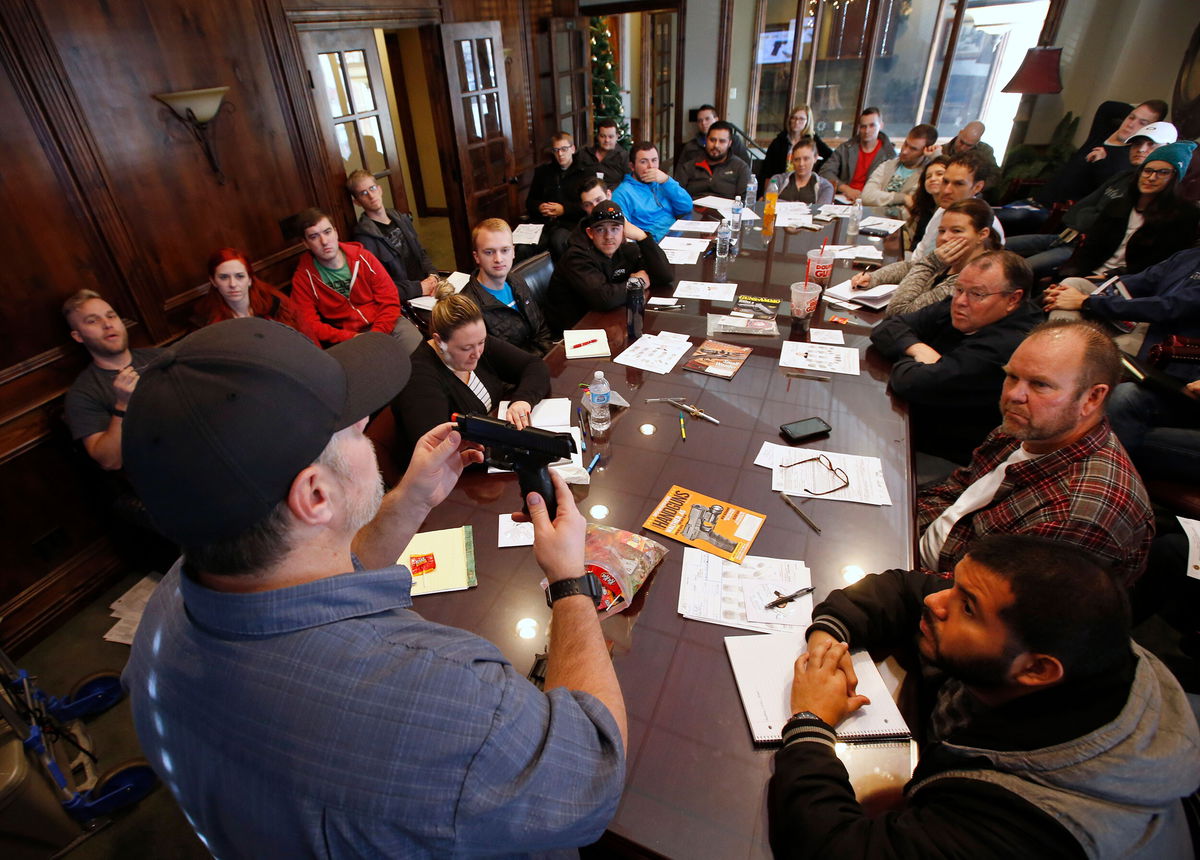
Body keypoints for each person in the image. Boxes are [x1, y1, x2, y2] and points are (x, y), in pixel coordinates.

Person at [120, 319, 625, 857]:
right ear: (316, 494)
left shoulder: (166, 611)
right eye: (355, 430)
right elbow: (595, 769)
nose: (368, 426)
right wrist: (570, 583)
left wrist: (412, 499)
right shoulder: (447, 698)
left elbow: (305, 569)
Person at [768, 535, 1199, 859]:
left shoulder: (1033, 824)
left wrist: (810, 721)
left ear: (1036, 670)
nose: (936, 601)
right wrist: (829, 639)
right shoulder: (1078, 649)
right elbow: (904, 589)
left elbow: (831, 849)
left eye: (967, 607)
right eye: (954, 586)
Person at [917, 320, 1154, 585]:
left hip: (934, 589)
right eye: (1012, 376)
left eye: (1040, 385)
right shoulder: (1030, 426)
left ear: (1092, 398)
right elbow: (956, 489)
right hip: (920, 549)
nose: (1015, 395)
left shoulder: (1078, 516)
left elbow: (976, 602)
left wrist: (895, 571)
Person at [871, 251, 1042, 464]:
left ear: (1013, 299)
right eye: (959, 289)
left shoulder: (1008, 346)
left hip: (941, 454)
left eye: (977, 294)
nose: (960, 301)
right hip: (908, 418)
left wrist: (905, 353)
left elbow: (911, 382)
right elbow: (888, 326)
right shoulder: (965, 304)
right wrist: (918, 349)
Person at [1046, 246, 1200, 483]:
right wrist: (1090, 293)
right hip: (1146, 331)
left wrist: (1088, 303)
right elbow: (1139, 282)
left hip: (1174, 363)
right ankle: (1051, 361)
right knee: (1074, 283)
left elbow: (1170, 306)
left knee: (1125, 395)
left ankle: (1094, 483)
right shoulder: (1190, 255)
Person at [392, 286, 550, 462]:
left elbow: (534, 365)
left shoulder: (472, 339)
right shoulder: (420, 380)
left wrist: (522, 400)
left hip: (493, 448)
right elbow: (438, 452)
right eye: (466, 348)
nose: (477, 353)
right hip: (461, 473)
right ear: (439, 341)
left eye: (481, 342)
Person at [1005, 122, 1178, 281]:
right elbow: (1079, 209)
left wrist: (1088, 219)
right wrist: (1088, 217)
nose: (1141, 150)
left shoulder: (1149, 194)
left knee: (1017, 271)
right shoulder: (1121, 176)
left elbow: (1102, 227)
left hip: (1082, 251)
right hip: (1065, 236)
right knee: (997, 244)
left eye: (1151, 145)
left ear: (1167, 150)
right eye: (1137, 144)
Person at [1001, 99, 1169, 235]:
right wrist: (1138, 110)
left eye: (1142, 123)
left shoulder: (1129, 158)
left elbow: (1106, 192)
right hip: (1034, 201)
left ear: (1149, 129)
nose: (1131, 124)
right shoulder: (1102, 135)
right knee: (983, 213)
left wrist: (1101, 163)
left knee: (987, 218)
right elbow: (1108, 107)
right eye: (1131, 117)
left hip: (1052, 213)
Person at [1048, 140, 1198, 283]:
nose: (1151, 178)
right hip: (1088, 274)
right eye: (1147, 170)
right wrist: (1069, 276)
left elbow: (1159, 265)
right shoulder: (1119, 204)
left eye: (1163, 172)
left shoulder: (1182, 215)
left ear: (1175, 178)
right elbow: (1090, 249)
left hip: (1127, 283)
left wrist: (1109, 276)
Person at [290, 207, 422, 354]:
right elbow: (309, 324)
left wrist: (377, 334)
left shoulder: (363, 257)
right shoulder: (303, 278)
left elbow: (389, 299)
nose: (324, 241)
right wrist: (350, 336)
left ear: (335, 232)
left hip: (388, 322)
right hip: (348, 336)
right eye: (314, 236)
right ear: (306, 243)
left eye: (327, 232)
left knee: (422, 359)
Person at [62, 290, 167, 471]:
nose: (108, 324)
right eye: (93, 321)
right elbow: (110, 461)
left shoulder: (162, 356)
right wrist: (122, 405)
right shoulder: (83, 393)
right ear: (78, 336)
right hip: (163, 467)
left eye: (111, 316)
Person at [853, 198, 1002, 317]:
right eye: (942, 231)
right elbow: (910, 267)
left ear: (982, 234)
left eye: (956, 231)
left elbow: (899, 312)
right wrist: (874, 278)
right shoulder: (952, 259)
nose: (945, 238)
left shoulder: (971, 280)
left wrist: (930, 263)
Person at [543, 200, 674, 334]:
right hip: (572, 332)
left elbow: (664, 277)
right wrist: (637, 283)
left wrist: (642, 237)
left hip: (606, 322)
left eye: (615, 229)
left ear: (624, 231)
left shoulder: (626, 250)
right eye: (600, 230)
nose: (608, 236)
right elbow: (603, 299)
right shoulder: (576, 257)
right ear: (590, 233)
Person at [459, 218, 553, 356]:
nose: (498, 259)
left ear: (513, 252)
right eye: (489, 252)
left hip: (539, 361)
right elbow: (493, 361)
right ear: (477, 257)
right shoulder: (468, 307)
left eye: (505, 250)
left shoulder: (517, 280)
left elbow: (541, 328)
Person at [346, 169, 439, 303]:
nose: (371, 196)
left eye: (372, 188)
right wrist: (418, 288)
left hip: (427, 287)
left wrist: (433, 276)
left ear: (379, 189)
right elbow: (377, 287)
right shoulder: (364, 239)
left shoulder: (400, 218)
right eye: (364, 193)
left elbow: (421, 253)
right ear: (357, 202)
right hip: (403, 300)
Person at [196, 248, 313, 343]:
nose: (232, 284)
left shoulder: (274, 302)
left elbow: (304, 333)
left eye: (240, 276)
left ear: (250, 279)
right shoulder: (210, 324)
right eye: (224, 277)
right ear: (213, 281)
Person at [911, 151, 1004, 261]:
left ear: (977, 187)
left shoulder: (986, 224)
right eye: (945, 181)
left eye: (958, 184)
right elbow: (922, 250)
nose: (946, 190)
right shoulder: (943, 209)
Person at [611, 142, 694, 241]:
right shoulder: (622, 193)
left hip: (676, 235)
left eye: (654, 160)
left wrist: (666, 180)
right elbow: (622, 230)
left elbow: (686, 207)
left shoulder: (662, 182)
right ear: (632, 166)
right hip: (653, 243)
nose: (651, 166)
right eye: (643, 162)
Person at [818, 107, 896, 202]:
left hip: (870, 202)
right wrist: (846, 189)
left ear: (881, 125)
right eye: (863, 126)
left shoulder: (889, 155)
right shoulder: (846, 148)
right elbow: (825, 172)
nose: (867, 131)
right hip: (842, 199)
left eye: (872, 126)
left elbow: (890, 188)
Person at [860, 123, 938, 218]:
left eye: (913, 149)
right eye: (906, 144)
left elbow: (909, 213)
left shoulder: (927, 176)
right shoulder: (888, 165)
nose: (905, 151)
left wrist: (936, 156)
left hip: (901, 229)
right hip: (871, 220)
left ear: (925, 151)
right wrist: (903, 198)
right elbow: (866, 196)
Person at [758, 104, 832, 186]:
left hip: (805, 184)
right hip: (781, 184)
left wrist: (816, 167)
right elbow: (767, 169)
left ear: (807, 121)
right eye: (794, 118)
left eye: (801, 119)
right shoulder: (779, 141)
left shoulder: (813, 140)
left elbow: (830, 156)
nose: (796, 122)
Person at [675, 120, 751, 199]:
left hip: (727, 210)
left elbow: (744, 200)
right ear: (706, 140)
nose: (716, 145)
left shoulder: (741, 168)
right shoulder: (689, 166)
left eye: (722, 141)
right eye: (712, 140)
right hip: (693, 209)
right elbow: (676, 195)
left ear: (729, 143)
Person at [526, 132, 588, 226]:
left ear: (573, 149)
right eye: (556, 150)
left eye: (564, 149)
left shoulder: (585, 172)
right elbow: (530, 202)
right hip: (545, 222)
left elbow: (588, 205)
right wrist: (539, 207)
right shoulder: (542, 172)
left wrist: (564, 209)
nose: (560, 154)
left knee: (558, 238)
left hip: (572, 223)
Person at [675, 104, 750, 172]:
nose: (703, 123)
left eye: (707, 119)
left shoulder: (734, 141)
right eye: (700, 120)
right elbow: (680, 170)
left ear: (716, 119)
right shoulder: (690, 146)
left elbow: (745, 165)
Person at [766, 138, 834, 206]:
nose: (801, 164)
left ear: (815, 158)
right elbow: (769, 203)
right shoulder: (777, 180)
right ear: (792, 160)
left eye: (806, 159)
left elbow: (820, 210)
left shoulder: (825, 186)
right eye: (797, 159)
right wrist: (804, 206)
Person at [905, 155, 949, 251]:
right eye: (928, 176)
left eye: (939, 174)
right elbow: (917, 242)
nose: (932, 179)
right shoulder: (926, 208)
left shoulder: (950, 210)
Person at [941, 120, 998, 187]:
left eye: (969, 145)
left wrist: (974, 188)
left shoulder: (985, 151)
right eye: (961, 142)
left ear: (977, 142)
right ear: (960, 133)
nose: (962, 148)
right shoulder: (941, 150)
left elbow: (995, 176)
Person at [576, 118, 630, 188]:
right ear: (598, 136)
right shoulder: (585, 153)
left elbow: (629, 183)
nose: (607, 140)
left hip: (613, 196)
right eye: (603, 136)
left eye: (610, 137)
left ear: (617, 136)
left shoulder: (624, 157)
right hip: (587, 195)